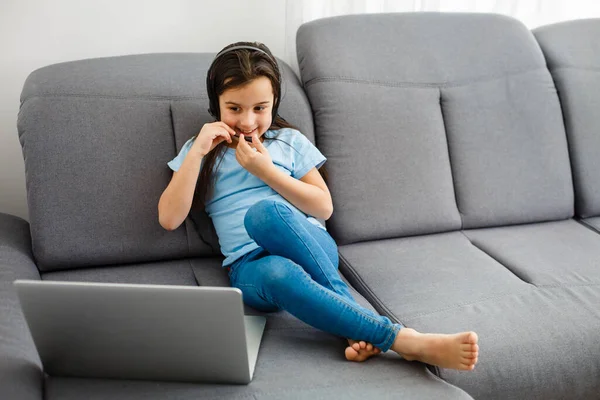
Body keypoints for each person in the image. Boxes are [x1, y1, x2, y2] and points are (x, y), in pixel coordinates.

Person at [158, 42, 479, 369]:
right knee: (277, 271)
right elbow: (169, 218)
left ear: (274, 104)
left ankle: (389, 336)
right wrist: (197, 152)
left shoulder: (289, 143)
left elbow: (323, 208)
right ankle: (395, 337)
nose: (247, 121)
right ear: (216, 106)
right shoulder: (201, 151)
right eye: (234, 108)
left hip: (308, 241)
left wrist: (266, 172)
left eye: (260, 108)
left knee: (266, 213)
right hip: (249, 265)